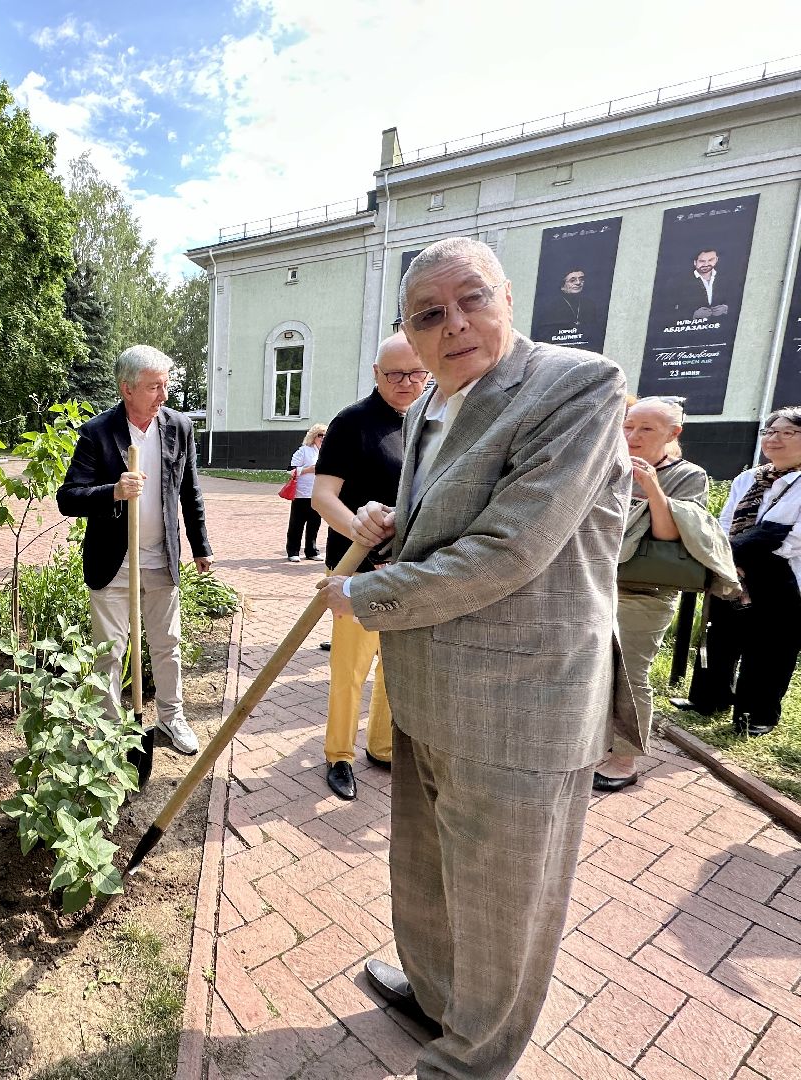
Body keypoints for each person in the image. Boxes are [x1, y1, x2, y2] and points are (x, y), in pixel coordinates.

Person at [318, 237, 640, 1079]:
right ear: (409, 334)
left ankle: (472, 1058)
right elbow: (447, 525)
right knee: (425, 873)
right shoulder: (429, 406)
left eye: (472, 300)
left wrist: (366, 599)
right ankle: (433, 995)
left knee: (501, 906)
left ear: (507, 297)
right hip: (429, 688)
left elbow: (507, 550)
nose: (453, 324)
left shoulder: (577, 387)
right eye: (429, 314)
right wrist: (392, 529)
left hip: (519, 700)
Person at [57, 345, 213, 755]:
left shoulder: (178, 427)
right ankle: (108, 730)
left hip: (161, 556)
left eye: (165, 385)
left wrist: (201, 545)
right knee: (110, 650)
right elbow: (69, 497)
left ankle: (171, 717)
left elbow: (189, 491)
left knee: (168, 643)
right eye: (153, 387)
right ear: (127, 389)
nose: (163, 395)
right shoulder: (97, 433)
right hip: (114, 559)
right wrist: (114, 491)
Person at [596, 397, 737, 791]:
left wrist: (652, 490)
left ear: (673, 434)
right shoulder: (607, 463)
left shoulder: (688, 475)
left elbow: (671, 535)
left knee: (630, 674)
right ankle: (593, 744)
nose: (632, 436)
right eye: (628, 426)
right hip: (593, 582)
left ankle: (623, 760)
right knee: (587, 670)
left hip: (644, 591)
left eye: (646, 429)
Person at [311, 333, 429, 801]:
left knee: (394, 667)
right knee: (350, 671)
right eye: (395, 373)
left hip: (408, 572)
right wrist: (361, 533)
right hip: (358, 571)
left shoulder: (429, 421)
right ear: (376, 373)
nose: (407, 382)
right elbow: (323, 496)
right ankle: (339, 755)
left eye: (417, 372)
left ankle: (382, 747)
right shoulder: (352, 423)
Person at [687, 407, 801, 736]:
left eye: (787, 432)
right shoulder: (749, 478)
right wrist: (726, 557)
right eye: (769, 431)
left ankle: (758, 714)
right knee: (720, 634)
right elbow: (724, 523)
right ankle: (710, 698)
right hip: (733, 566)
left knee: (770, 647)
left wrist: (745, 554)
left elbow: (792, 538)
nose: (774, 438)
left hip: (781, 574)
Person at [284, 423, 327, 562]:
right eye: (320, 435)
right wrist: (309, 469)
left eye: (325, 435)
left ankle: (311, 551)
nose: (323, 438)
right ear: (313, 437)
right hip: (302, 494)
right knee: (297, 524)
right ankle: (293, 551)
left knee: (314, 524)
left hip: (318, 494)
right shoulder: (303, 451)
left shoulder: (327, 451)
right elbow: (290, 470)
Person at [533, 267, 591, 342]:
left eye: (581, 279)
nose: (578, 283)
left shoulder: (589, 304)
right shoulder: (550, 307)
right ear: (562, 286)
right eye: (572, 280)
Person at [671, 248, 732, 319]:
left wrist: (726, 308)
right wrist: (692, 315)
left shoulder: (727, 278)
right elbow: (669, 309)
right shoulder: (679, 282)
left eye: (710, 260)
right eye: (702, 261)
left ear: (717, 259)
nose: (706, 264)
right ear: (695, 262)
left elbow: (736, 300)